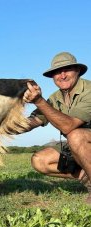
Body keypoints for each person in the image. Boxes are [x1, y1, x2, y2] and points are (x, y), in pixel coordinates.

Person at [22, 52, 91, 204]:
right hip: (80, 147)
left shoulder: (89, 90)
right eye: (57, 72)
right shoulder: (55, 97)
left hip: (83, 141)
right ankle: (86, 177)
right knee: (40, 160)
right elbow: (34, 121)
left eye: (67, 69)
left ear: (78, 70)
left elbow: (68, 126)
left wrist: (39, 101)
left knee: (75, 135)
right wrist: (0, 125)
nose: (62, 75)